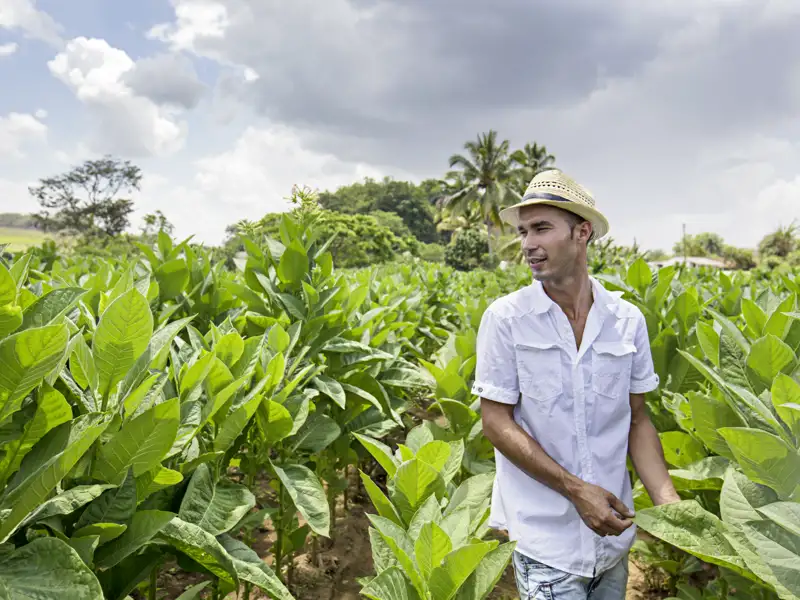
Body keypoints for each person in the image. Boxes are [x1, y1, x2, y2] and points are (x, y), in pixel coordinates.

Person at [472, 169, 680, 600]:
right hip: (544, 541)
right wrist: (575, 489)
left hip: (613, 538)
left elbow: (638, 421)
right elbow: (495, 422)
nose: (528, 244)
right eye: (524, 230)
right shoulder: (506, 320)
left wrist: (669, 505)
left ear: (582, 232)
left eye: (542, 228)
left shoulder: (627, 321)